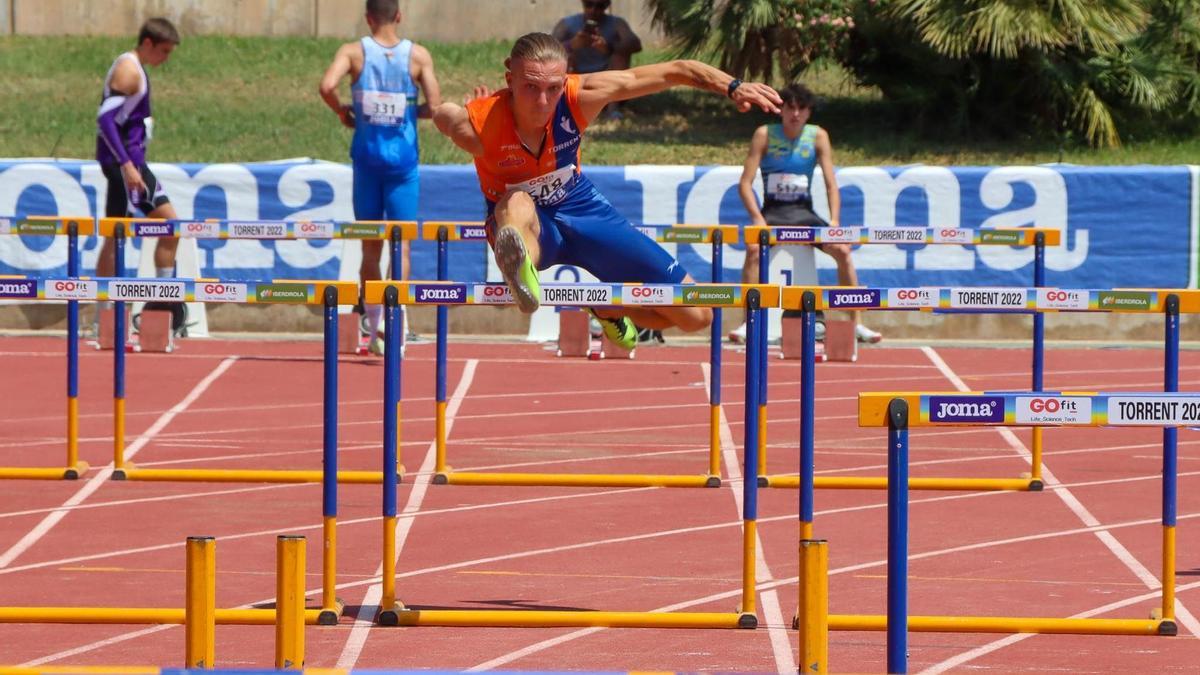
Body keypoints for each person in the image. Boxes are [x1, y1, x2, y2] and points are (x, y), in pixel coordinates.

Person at [432, 32, 781, 349]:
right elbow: (443, 115)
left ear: (565, 78)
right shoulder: (479, 124)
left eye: (553, 88)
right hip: (525, 223)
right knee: (518, 202)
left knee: (696, 316)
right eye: (530, 88)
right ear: (510, 79)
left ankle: (606, 306)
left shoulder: (580, 96)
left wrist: (732, 86)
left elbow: (677, 69)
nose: (543, 101)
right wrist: (450, 111)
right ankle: (521, 268)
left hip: (579, 206)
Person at [319, 0, 442, 355]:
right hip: (403, 165)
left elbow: (327, 85)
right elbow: (435, 106)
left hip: (367, 164)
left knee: (369, 246)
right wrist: (409, 111)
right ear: (399, 17)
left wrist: (343, 110)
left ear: (369, 18)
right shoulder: (418, 56)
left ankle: (373, 330)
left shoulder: (353, 52)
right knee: (400, 245)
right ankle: (395, 323)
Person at [731, 83, 881, 344]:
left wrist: (834, 221)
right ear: (781, 110)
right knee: (754, 249)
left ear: (809, 112)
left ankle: (855, 323)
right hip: (773, 213)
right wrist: (757, 218)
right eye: (790, 108)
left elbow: (831, 184)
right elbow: (745, 183)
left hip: (804, 213)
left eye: (802, 109)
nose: (795, 114)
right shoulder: (764, 134)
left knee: (843, 251)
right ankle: (747, 322)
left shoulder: (818, 136)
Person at [95, 18, 181, 310]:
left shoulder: (136, 68)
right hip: (124, 165)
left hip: (131, 163)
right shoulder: (128, 71)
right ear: (148, 43)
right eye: (164, 51)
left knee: (167, 227)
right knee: (117, 234)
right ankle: (106, 315)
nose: (166, 58)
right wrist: (127, 165)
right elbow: (105, 120)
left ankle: (160, 306)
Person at [552, 0, 642, 120]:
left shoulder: (617, 23)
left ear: (606, 6)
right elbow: (547, 48)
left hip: (607, 78)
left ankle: (612, 109)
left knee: (620, 56)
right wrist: (571, 45)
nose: (593, 10)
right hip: (577, 79)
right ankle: (567, 106)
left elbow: (635, 44)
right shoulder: (567, 24)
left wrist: (609, 48)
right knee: (565, 56)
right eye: (589, 4)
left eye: (599, 6)